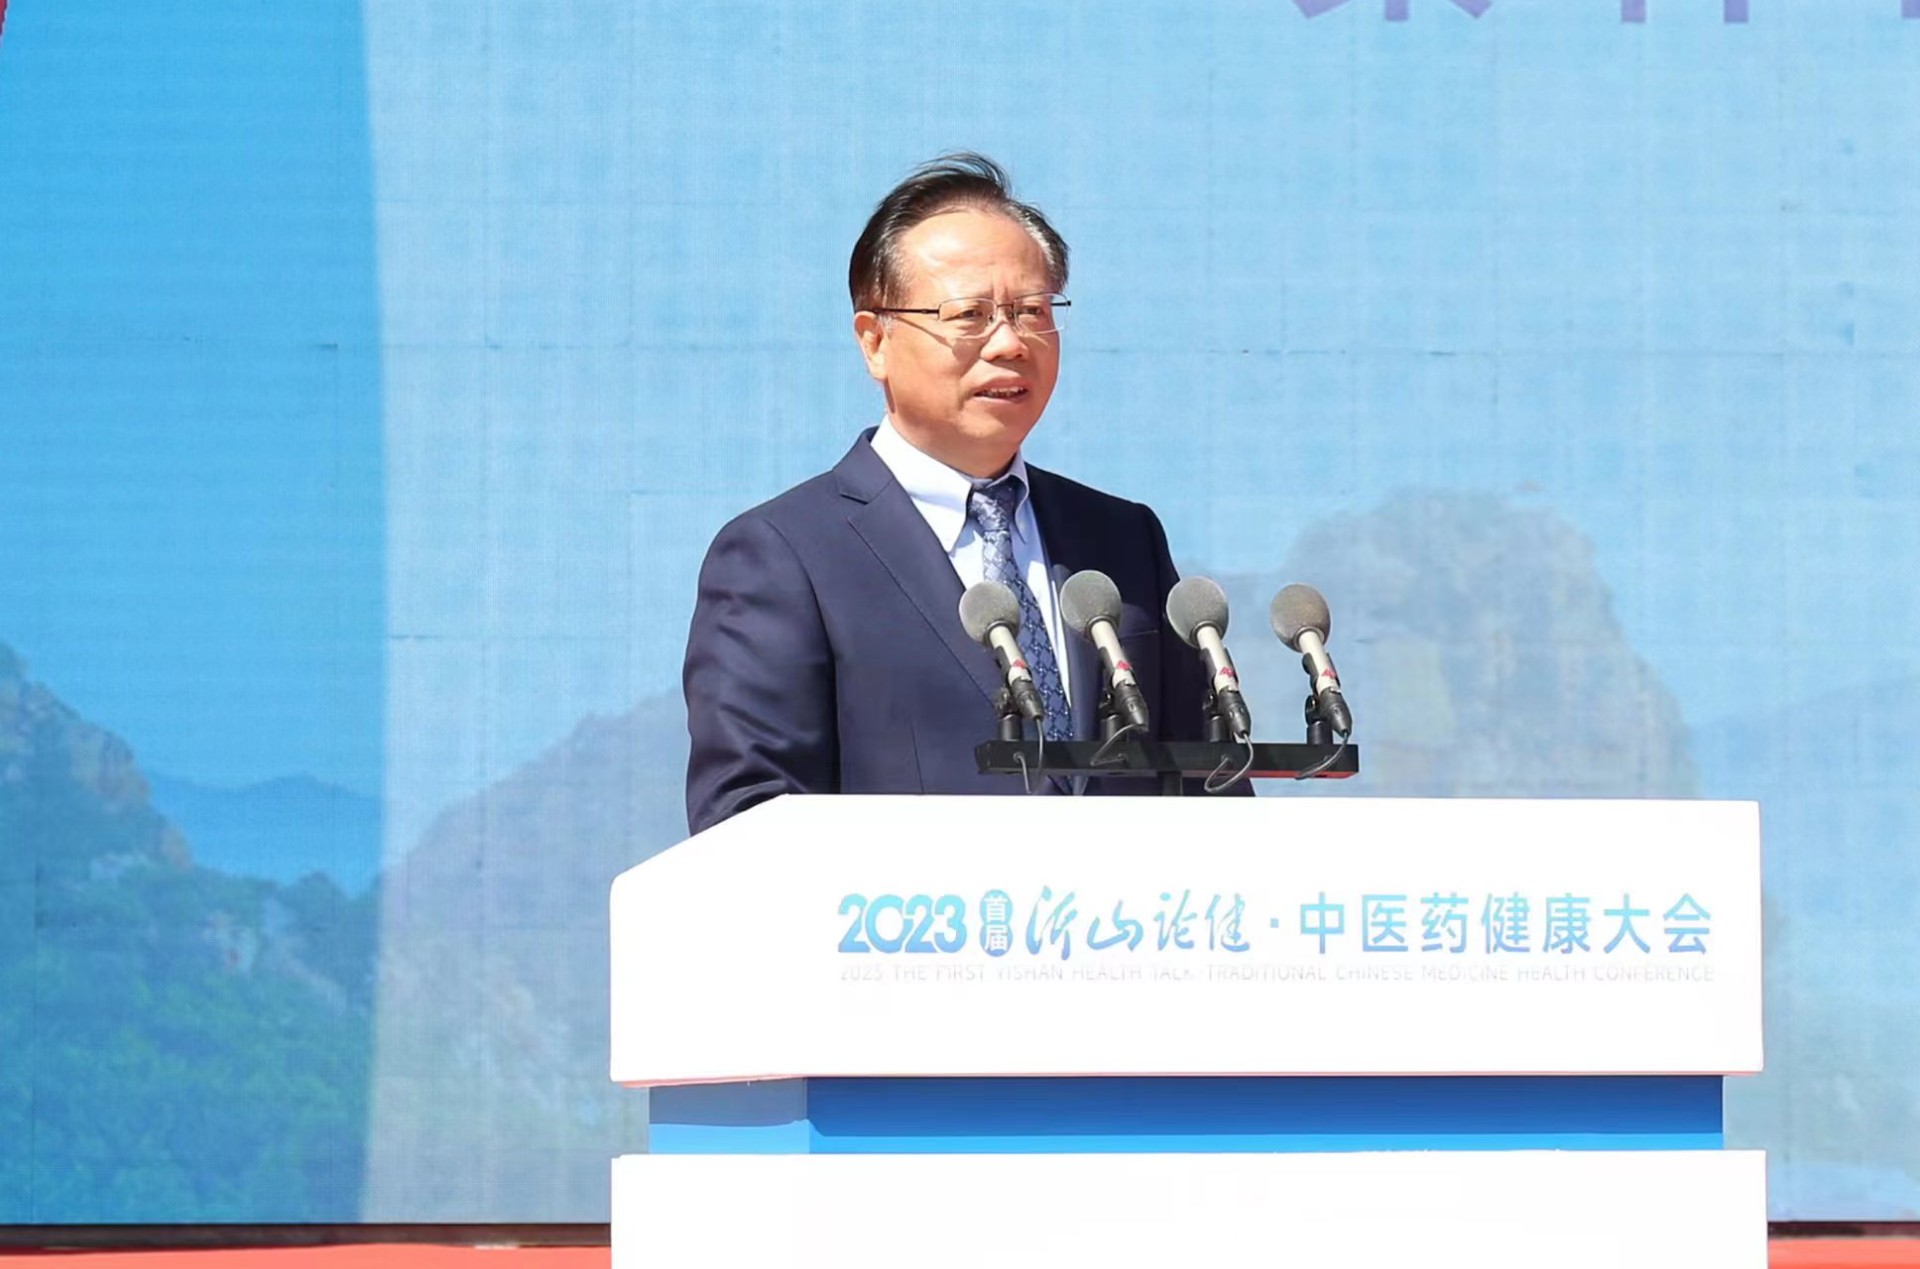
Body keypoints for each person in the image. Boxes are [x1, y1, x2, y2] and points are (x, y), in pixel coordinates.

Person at [683, 153, 1224, 835]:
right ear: (875, 342)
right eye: (969, 314)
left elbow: (1208, 789)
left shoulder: (1122, 539)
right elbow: (747, 819)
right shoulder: (785, 556)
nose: (1010, 342)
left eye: (1031, 311)